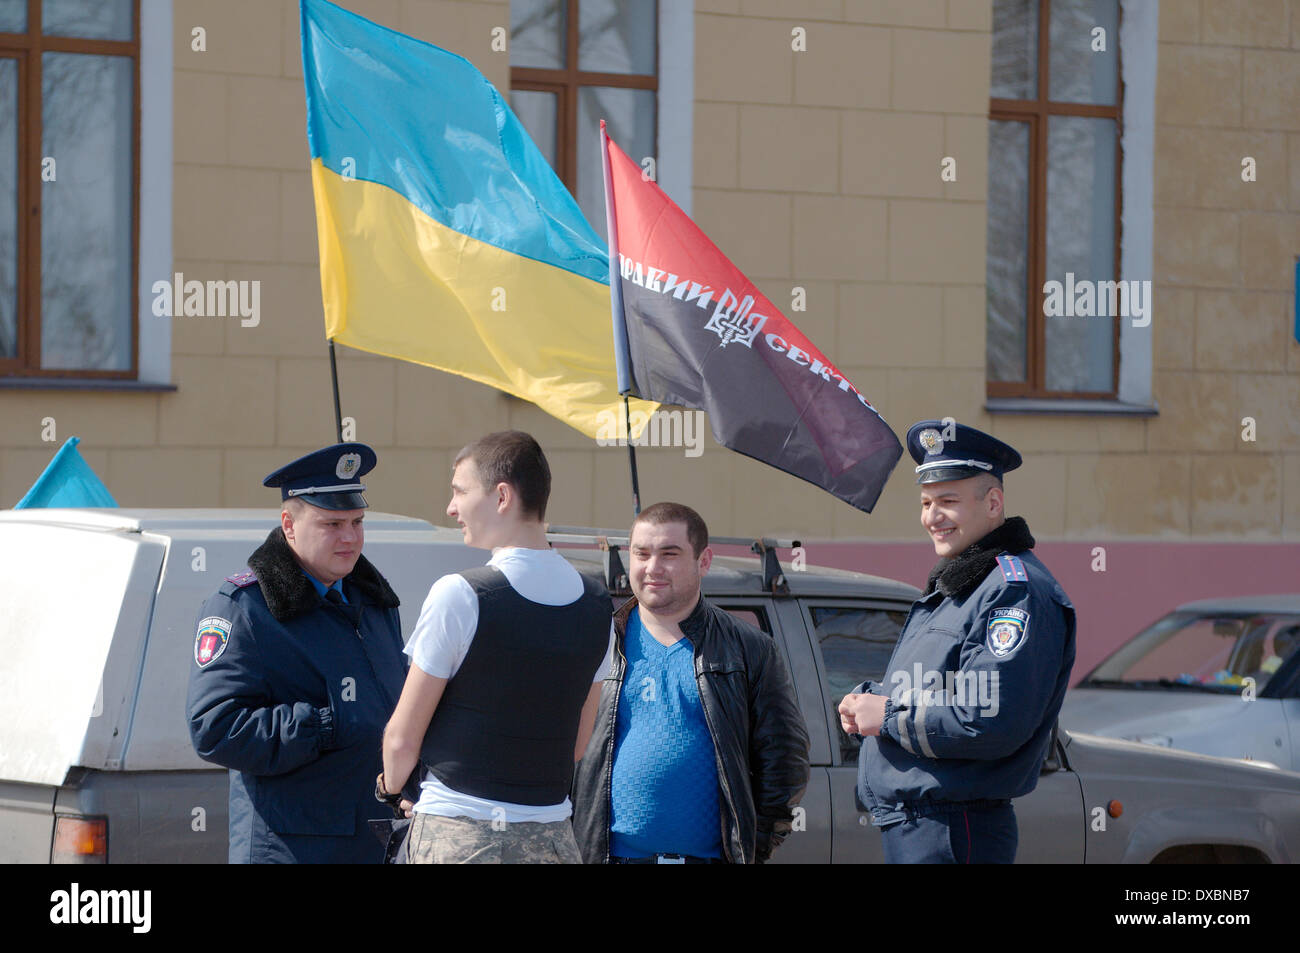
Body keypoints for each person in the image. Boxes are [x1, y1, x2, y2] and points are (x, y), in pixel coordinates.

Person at [838, 420, 1076, 864]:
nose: (932, 516)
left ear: (993, 502)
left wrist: (886, 716)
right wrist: (871, 701)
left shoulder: (1012, 590)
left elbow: (988, 719)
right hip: (923, 827)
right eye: (927, 502)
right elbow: (940, 690)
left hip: (953, 830)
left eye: (948, 501)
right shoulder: (964, 585)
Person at [379, 431, 612, 864]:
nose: (451, 508)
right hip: (554, 840)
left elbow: (400, 739)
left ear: (502, 495)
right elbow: (576, 746)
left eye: (460, 491)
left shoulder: (460, 594)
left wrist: (391, 790)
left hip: (458, 836)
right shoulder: (598, 605)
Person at [186, 443, 412, 863]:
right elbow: (213, 727)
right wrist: (324, 725)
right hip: (293, 849)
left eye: (357, 521)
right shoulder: (246, 606)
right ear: (289, 525)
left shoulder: (375, 601)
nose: (350, 537)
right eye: (332, 524)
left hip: (376, 843)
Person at [572, 501, 811, 864]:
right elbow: (557, 752)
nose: (652, 568)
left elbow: (785, 764)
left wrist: (752, 848)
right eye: (642, 553)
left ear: (704, 561)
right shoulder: (595, 644)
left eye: (669, 553)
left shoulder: (750, 650)